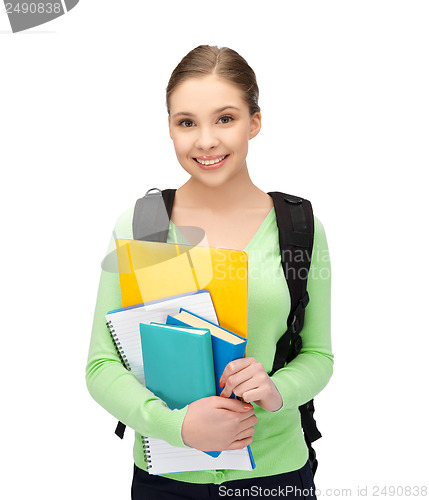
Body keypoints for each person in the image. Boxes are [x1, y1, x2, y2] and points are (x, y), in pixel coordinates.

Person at [86, 45, 333, 499]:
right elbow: (102, 366)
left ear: (254, 122)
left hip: (276, 477)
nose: (205, 141)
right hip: (166, 479)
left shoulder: (298, 227)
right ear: (170, 129)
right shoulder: (144, 226)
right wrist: (175, 425)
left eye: (225, 118)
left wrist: (276, 389)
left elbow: (318, 355)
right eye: (187, 122)